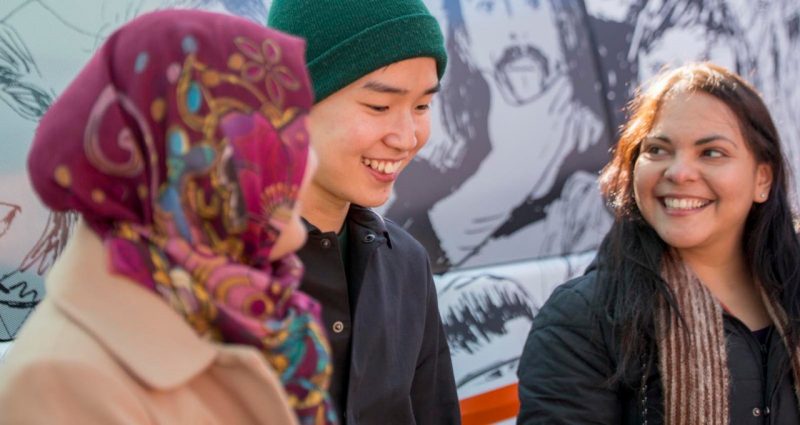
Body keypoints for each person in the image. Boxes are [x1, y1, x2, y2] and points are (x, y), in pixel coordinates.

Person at [0, 9, 337, 424]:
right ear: (192, 168)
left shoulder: (261, 310)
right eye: (280, 139)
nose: (309, 164)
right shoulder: (61, 380)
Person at [517, 62, 800, 424]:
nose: (679, 172)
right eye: (657, 150)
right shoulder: (585, 320)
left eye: (711, 152)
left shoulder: (792, 293)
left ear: (763, 179)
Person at [268, 1, 461, 423]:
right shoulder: (216, 270)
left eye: (422, 106)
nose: (406, 138)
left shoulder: (405, 262)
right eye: (379, 106)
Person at [386, 0, 612, 272]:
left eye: (532, 4)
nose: (517, 31)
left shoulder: (604, 143)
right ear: (465, 41)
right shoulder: (427, 156)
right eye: (487, 7)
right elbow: (390, 261)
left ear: (563, 27)